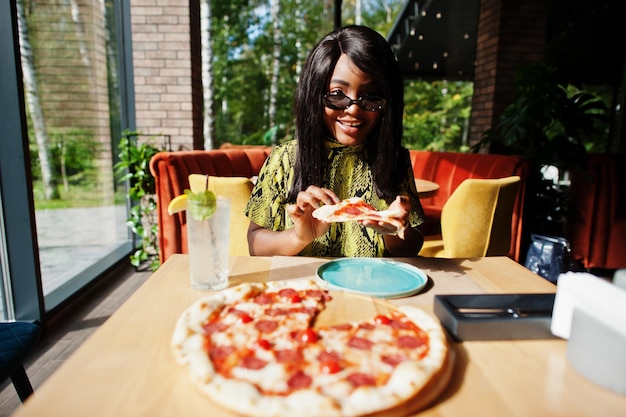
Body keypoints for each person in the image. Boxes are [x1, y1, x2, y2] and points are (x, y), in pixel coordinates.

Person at [245, 25, 424, 257]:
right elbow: (254, 244)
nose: (354, 110)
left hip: (373, 288)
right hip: (303, 289)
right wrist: (298, 237)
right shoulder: (283, 159)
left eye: (371, 97)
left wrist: (394, 230)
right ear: (314, 96)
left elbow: (413, 245)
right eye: (337, 95)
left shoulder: (395, 158)